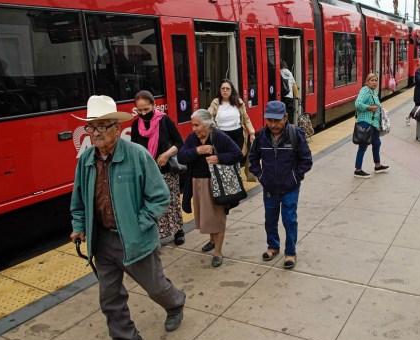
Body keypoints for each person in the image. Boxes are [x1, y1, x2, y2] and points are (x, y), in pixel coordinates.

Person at [70, 95, 186, 340]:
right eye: (91, 127)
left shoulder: (137, 156)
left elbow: (160, 197)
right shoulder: (86, 160)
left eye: (101, 127)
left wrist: (138, 224)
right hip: (102, 241)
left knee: (156, 286)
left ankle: (175, 303)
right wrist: (79, 226)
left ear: (115, 128)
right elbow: (78, 201)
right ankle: (126, 338)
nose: (95, 133)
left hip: (135, 240)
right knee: (109, 296)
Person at [248, 101, 313, 269]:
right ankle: (273, 246)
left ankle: (290, 252)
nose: (273, 125)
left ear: (285, 117)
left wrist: (295, 178)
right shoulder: (262, 135)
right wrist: (261, 176)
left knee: (289, 220)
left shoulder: (295, 134)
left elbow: (306, 161)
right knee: (270, 220)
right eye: (269, 120)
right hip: (269, 187)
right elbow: (253, 158)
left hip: (290, 187)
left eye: (277, 121)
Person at [177, 109, 243, 268]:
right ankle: (212, 241)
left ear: (207, 124)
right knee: (206, 217)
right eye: (193, 125)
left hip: (215, 184)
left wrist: (218, 158)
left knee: (217, 217)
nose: (194, 129)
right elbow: (181, 157)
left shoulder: (219, 136)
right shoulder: (193, 138)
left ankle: (218, 252)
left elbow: (238, 154)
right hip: (197, 182)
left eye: (197, 125)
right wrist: (197, 150)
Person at [130, 90, 185, 246]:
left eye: (146, 109)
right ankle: (156, 236)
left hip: (166, 170)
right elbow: (134, 149)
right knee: (151, 205)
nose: (143, 113)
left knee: (171, 202)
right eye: (139, 110)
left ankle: (178, 231)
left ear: (154, 105)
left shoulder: (164, 120)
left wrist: (167, 155)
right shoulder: (136, 125)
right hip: (147, 172)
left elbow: (179, 142)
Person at [208, 79, 256, 163]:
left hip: (238, 136)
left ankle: (236, 175)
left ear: (231, 90)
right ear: (220, 90)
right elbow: (208, 114)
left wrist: (252, 133)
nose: (225, 90)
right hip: (221, 135)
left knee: (236, 159)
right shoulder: (215, 102)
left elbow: (245, 118)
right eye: (223, 88)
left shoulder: (239, 102)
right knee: (223, 159)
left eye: (227, 88)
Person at [353, 73, 390, 178]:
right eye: (372, 80)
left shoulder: (373, 91)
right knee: (363, 146)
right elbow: (358, 103)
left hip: (373, 124)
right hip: (365, 122)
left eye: (376, 80)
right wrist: (370, 108)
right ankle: (358, 170)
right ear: (367, 82)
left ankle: (377, 166)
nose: (374, 82)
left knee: (377, 143)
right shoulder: (365, 90)